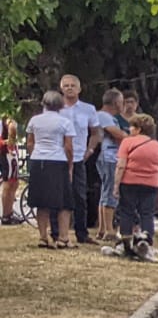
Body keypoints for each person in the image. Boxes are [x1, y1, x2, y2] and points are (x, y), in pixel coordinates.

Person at [109, 114, 158, 261]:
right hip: (151, 184)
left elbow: (121, 165)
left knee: (126, 212)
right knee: (147, 214)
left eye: (132, 127)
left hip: (129, 182)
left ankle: (125, 243)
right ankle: (147, 243)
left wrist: (116, 185)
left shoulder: (127, 142)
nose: (129, 129)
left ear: (139, 129)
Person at [25, 90, 76, 249]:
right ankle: (63, 237)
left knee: (42, 202)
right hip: (58, 160)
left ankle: (43, 237)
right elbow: (68, 147)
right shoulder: (65, 122)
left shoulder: (34, 120)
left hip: (38, 160)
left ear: (44, 103)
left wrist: (35, 155)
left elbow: (30, 143)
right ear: (61, 105)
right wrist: (70, 165)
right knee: (65, 202)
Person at [57, 74, 101, 246]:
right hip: (59, 157)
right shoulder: (55, 108)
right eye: (66, 85)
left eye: (72, 85)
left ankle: (82, 233)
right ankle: (57, 232)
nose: (69, 88)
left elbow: (96, 133)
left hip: (78, 158)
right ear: (61, 88)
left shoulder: (88, 109)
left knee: (80, 196)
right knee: (58, 195)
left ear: (79, 89)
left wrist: (90, 150)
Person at [92, 87, 128, 243]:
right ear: (116, 103)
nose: (123, 105)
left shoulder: (109, 117)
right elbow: (117, 134)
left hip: (110, 157)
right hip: (109, 157)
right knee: (111, 192)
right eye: (121, 102)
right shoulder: (104, 116)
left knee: (105, 191)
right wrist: (128, 137)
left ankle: (102, 228)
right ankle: (109, 229)